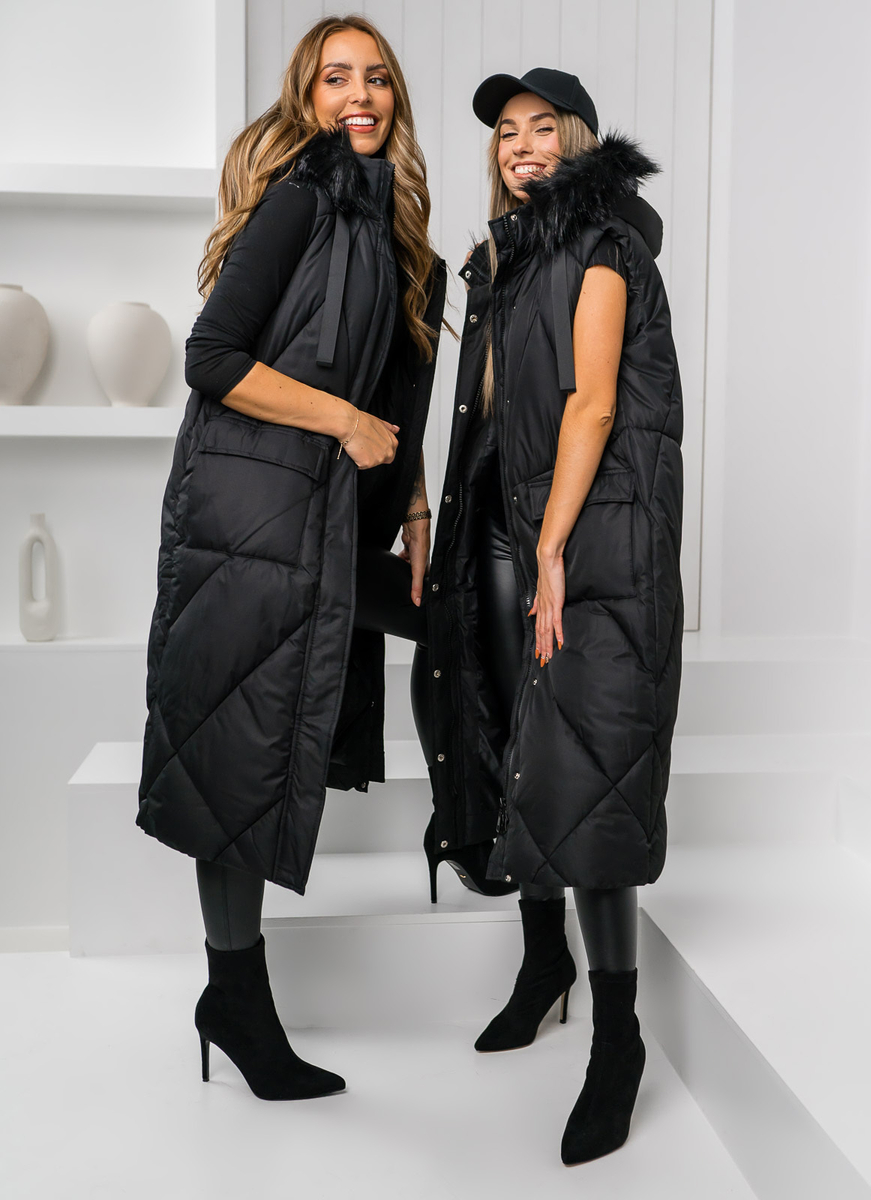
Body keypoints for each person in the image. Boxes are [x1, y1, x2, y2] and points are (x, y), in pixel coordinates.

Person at [135, 15, 452, 1102]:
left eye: (378, 78)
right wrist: (346, 426)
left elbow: (389, 392)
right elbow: (211, 356)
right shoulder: (305, 200)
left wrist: (416, 502)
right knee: (240, 742)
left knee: (457, 624)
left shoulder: (397, 234)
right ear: (307, 98)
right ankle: (235, 997)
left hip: (331, 516)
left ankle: (474, 833)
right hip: (253, 510)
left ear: (396, 99)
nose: (360, 94)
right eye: (336, 78)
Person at [425, 68, 684, 1164]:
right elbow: (489, 407)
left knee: (592, 771)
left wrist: (549, 550)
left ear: (578, 141)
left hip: (589, 533)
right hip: (503, 521)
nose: (521, 145)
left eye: (542, 128)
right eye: (506, 132)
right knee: (512, 744)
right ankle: (545, 963)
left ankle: (619, 1038)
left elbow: (593, 402)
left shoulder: (606, 242)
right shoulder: (510, 258)